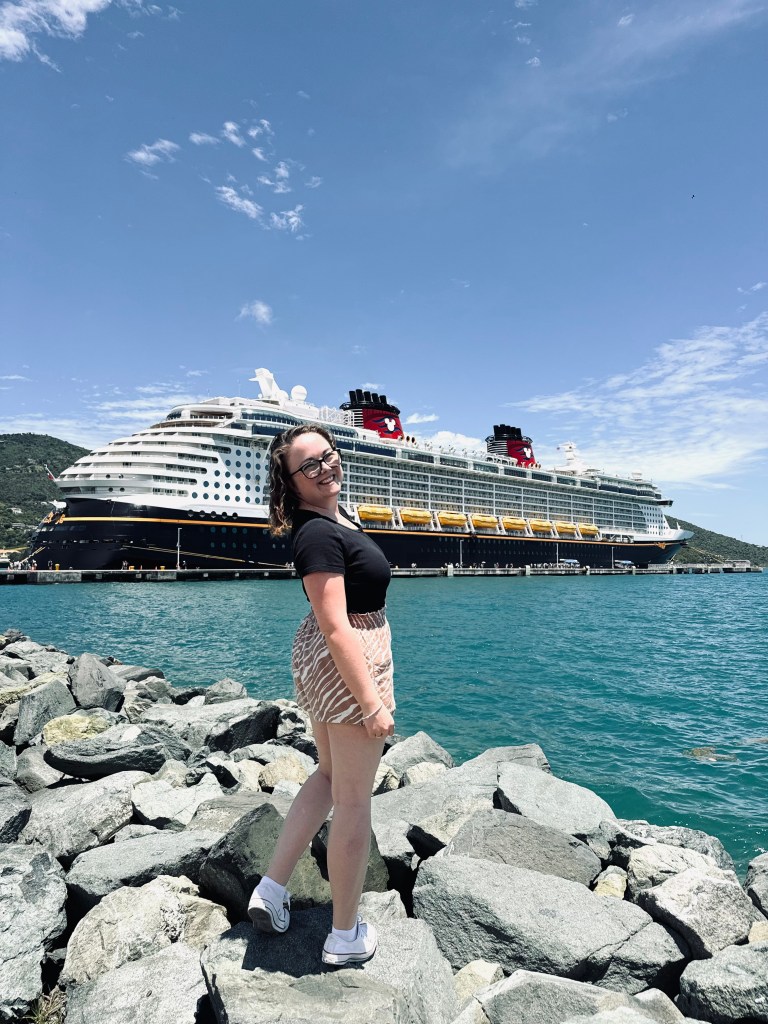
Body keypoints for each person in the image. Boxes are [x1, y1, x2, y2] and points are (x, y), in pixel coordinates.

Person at [247, 424, 395, 966]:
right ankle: (344, 936)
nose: (325, 467)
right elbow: (337, 628)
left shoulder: (331, 520)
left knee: (331, 776)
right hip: (346, 659)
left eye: (328, 455)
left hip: (329, 661)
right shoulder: (316, 534)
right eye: (309, 465)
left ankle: (271, 888)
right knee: (356, 799)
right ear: (290, 482)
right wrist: (372, 704)